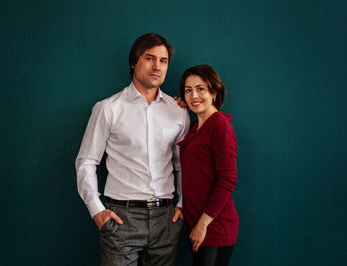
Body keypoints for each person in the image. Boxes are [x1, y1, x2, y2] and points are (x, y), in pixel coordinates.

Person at [75, 33, 190, 265]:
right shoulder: (108, 109)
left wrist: (182, 204)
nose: (157, 66)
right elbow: (86, 161)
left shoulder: (179, 112)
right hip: (121, 218)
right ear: (133, 62)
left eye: (163, 60)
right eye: (150, 58)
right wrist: (96, 210)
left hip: (167, 219)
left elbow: (184, 166)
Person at [177, 65, 239, 266]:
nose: (194, 95)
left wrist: (202, 225)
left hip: (214, 226)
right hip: (197, 224)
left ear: (214, 91)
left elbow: (228, 180)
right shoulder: (195, 127)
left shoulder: (220, 126)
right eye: (188, 90)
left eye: (200, 88)